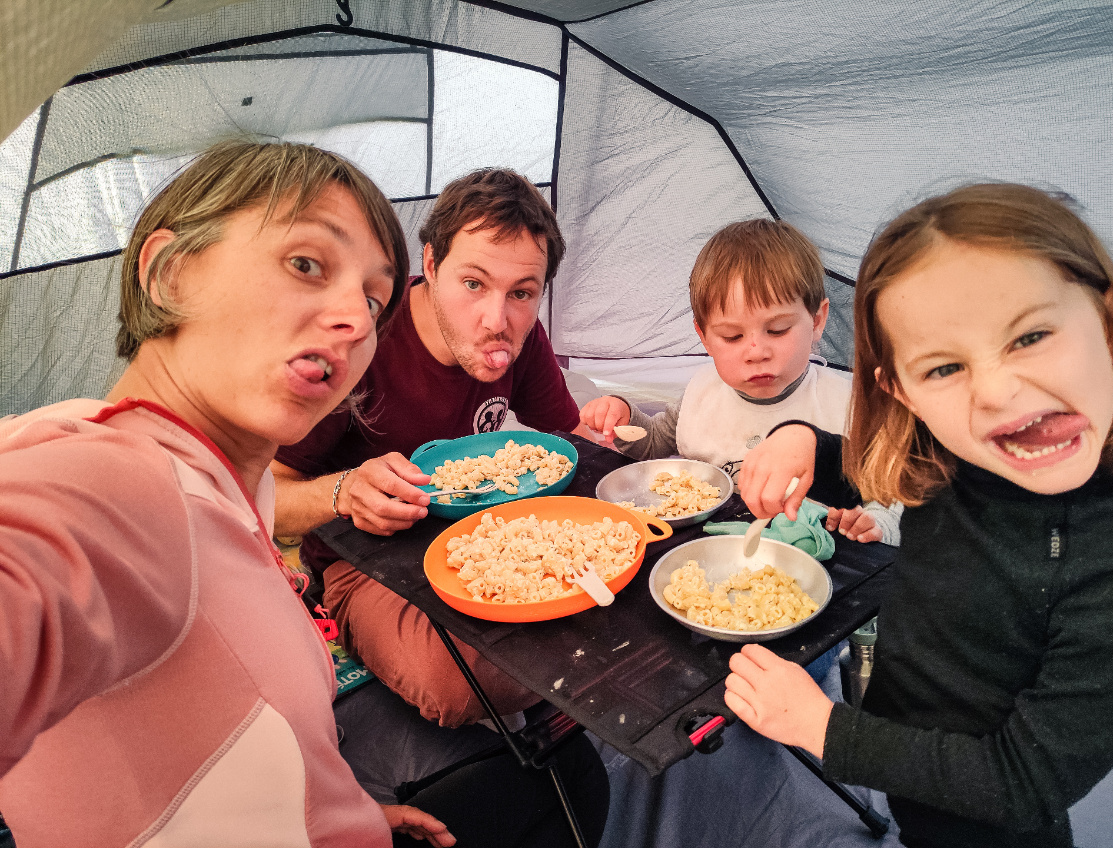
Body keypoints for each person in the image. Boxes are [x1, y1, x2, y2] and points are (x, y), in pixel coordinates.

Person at [0, 140, 608, 848]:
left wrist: (328, 811)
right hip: (370, 562)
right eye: (306, 264)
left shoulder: (224, 490)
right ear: (169, 274)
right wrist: (346, 491)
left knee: (574, 787)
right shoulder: (109, 484)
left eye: (371, 296)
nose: (356, 320)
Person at [726, 183, 1113, 848]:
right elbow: (883, 467)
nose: (998, 391)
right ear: (901, 390)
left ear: (1109, 320)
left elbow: (1021, 782)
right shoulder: (957, 449)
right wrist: (805, 440)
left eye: (1030, 335)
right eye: (944, 368)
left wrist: (821, 729)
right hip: (906, 753)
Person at [272, 168, 593, 728]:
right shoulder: (359, 343)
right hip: (366, 562)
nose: (498, 321)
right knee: (458, 686)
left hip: (497, 537)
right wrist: (346, 492)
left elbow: (569, 443)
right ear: (431, 264)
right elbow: (264, 496)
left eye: (522, 293)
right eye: (473, 284)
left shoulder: (522, 336)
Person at [579, 218, 901, 545]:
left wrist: (876, 522)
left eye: (777, 330)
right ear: (704, 338)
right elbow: (657, 443)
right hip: (710, 553)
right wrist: (623, 420)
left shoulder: (849, 404)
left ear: (816, 322)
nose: (756, 352)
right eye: (732, 336)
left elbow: (893, 492)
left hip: (816, 559)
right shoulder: (704, 392)